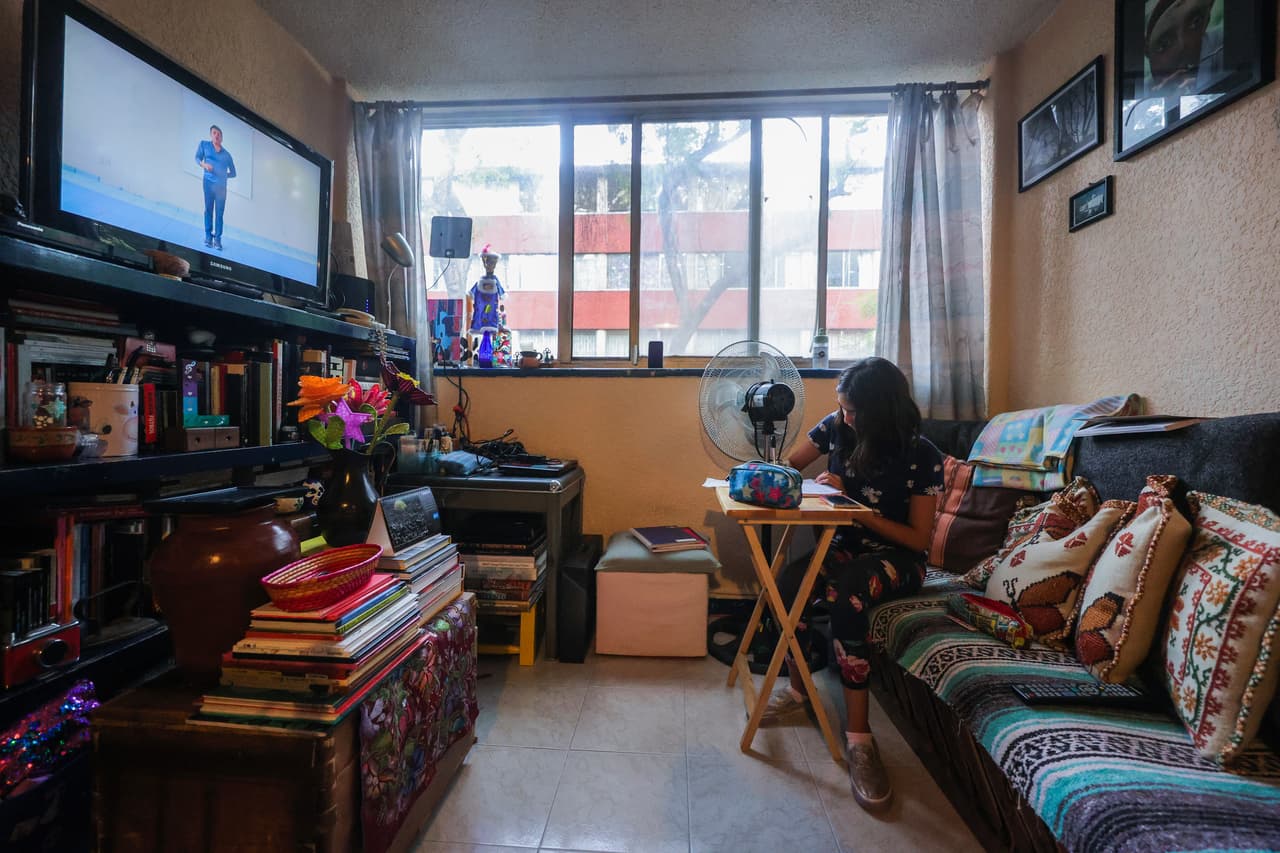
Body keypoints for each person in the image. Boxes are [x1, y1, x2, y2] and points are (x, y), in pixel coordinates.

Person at [763, 357, 944, 812]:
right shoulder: (835, 427)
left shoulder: (921, 456)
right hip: (840, 551)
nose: (844, 417)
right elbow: (791, 465)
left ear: (881, 411)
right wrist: (804, 483)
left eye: (852, 411)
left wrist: (852, 504)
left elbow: (918, 539)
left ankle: (860, 740)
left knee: (847, 596)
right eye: (841, 408)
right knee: (786, 585)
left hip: (896, 560)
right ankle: (798, 689)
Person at [195, 125, 236, 251]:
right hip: (208, 183)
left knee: (219, 214)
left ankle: (217, 239)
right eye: (214, 133)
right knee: (208, 210)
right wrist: (204, 164)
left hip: (221, 188)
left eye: (219, 134)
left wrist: (223, 176)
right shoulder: (204, 145)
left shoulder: (227, 155)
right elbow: (197, 158)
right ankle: (208, 236)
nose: (216, 135)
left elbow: (234, 173)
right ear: (211, 135)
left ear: (222, 138)